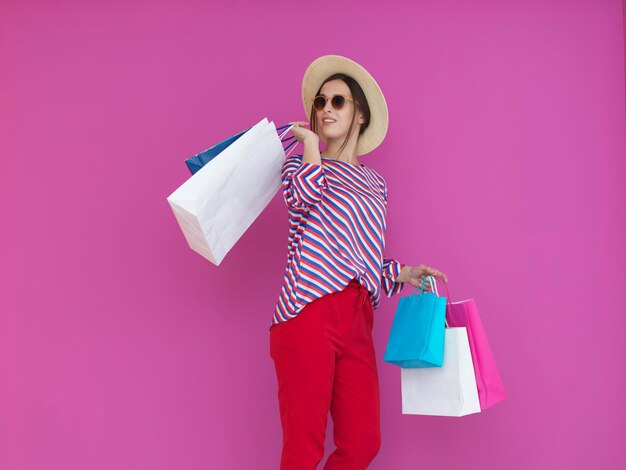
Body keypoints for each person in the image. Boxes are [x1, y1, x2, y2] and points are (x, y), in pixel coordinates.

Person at [269, 55, 448, 470]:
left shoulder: (376, 183)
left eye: (338, 101)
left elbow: (360, 255)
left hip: (357, 317)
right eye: (320, 101)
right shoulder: (300, 164)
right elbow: (302, 199)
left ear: (360, 116)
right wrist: (310, 145)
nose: (326, 108)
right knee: (303, 450)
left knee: (364, 442)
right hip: (307, 309)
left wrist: (400, 273)